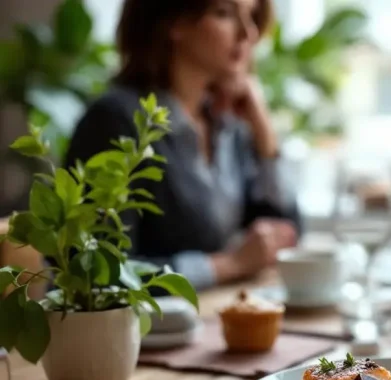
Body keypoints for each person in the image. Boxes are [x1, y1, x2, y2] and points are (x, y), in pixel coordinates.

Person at [65, 0, 300, 290]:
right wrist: (228, 265)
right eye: (225, 13)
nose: (248, 33)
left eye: (251, 15)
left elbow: (285, 234)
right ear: (175, 21)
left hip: (213, 310)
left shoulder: (226, 123)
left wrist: (265, 134)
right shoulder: (116, 121)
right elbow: (97, 272)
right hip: (152, 321)